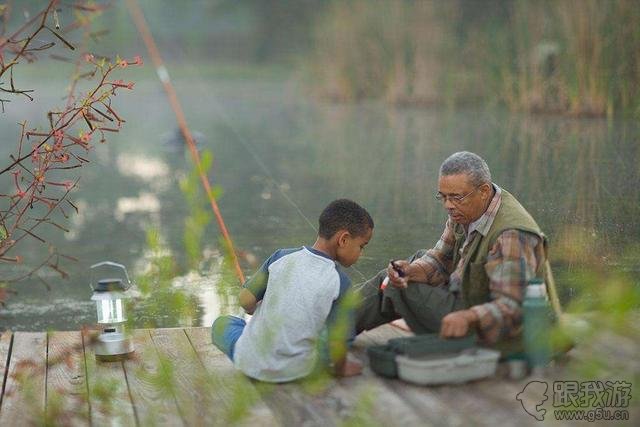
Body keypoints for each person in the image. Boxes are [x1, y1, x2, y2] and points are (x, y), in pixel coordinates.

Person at [356, 151, 548, 353]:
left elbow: (513, 308)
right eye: (443, 197)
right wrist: (412, 270)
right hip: (464, 296)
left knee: (393, 285)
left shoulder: (510, 235)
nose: (448, 205)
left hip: (487, 332)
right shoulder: (466, 210)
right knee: (407, 268)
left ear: (483, 190)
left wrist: (469, 317)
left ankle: (334, 326)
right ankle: (337, 318)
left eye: (455, 197)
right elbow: (441, 257)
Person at [212, 199, 374, 382]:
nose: (361, 253)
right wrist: (342, 367)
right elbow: (338, 342)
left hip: (250, 362)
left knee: (222, 324)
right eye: (362, 246)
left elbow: (245, 301)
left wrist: (253, 307)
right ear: (343, 239)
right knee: (323, 334)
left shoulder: (281, 257)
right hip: (298, 371)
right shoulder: (341, 283)